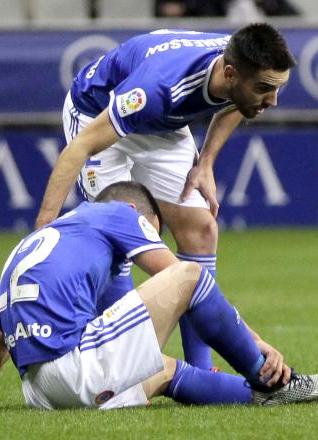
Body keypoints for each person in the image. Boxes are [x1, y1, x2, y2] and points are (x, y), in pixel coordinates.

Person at [38, 23, 297, 371]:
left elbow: (238, 103)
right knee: (118, 237)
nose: (273, 101)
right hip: (98, 113)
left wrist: (205, 162)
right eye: (265, 89)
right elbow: (80, 148)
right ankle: (121, 373)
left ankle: (201, 368)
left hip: (163, 125)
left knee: (202, 229)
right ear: (230, 73)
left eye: (278, 88)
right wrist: (44, 227)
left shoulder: (238, 64)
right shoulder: (158, 86)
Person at [0, 182, 318, 410]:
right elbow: (180, 281)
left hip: (40, 392)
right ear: (133, 212)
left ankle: (261, 398)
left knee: (158, 368)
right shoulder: (118, 215)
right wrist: (257, 344)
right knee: (190, 273)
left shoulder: (56, 238)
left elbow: (0, 333)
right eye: (151, 232)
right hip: (74, 371)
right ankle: (278, 382)